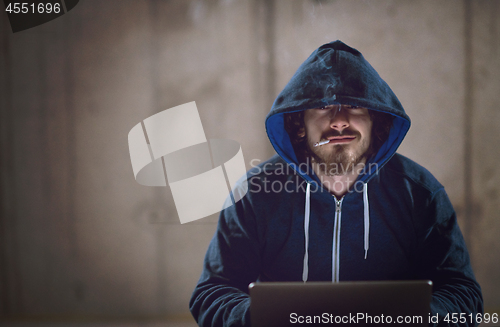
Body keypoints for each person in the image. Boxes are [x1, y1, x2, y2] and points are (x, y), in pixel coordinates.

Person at [189, 40, 483, 326]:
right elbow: (213, 291)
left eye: (355, 107)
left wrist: (415, 320)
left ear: (375, 122)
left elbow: (462, 292)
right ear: (298, 125)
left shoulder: (420, 193)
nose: (340, 121)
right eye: (323, 106)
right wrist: (262, 319)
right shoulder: (254, 194)